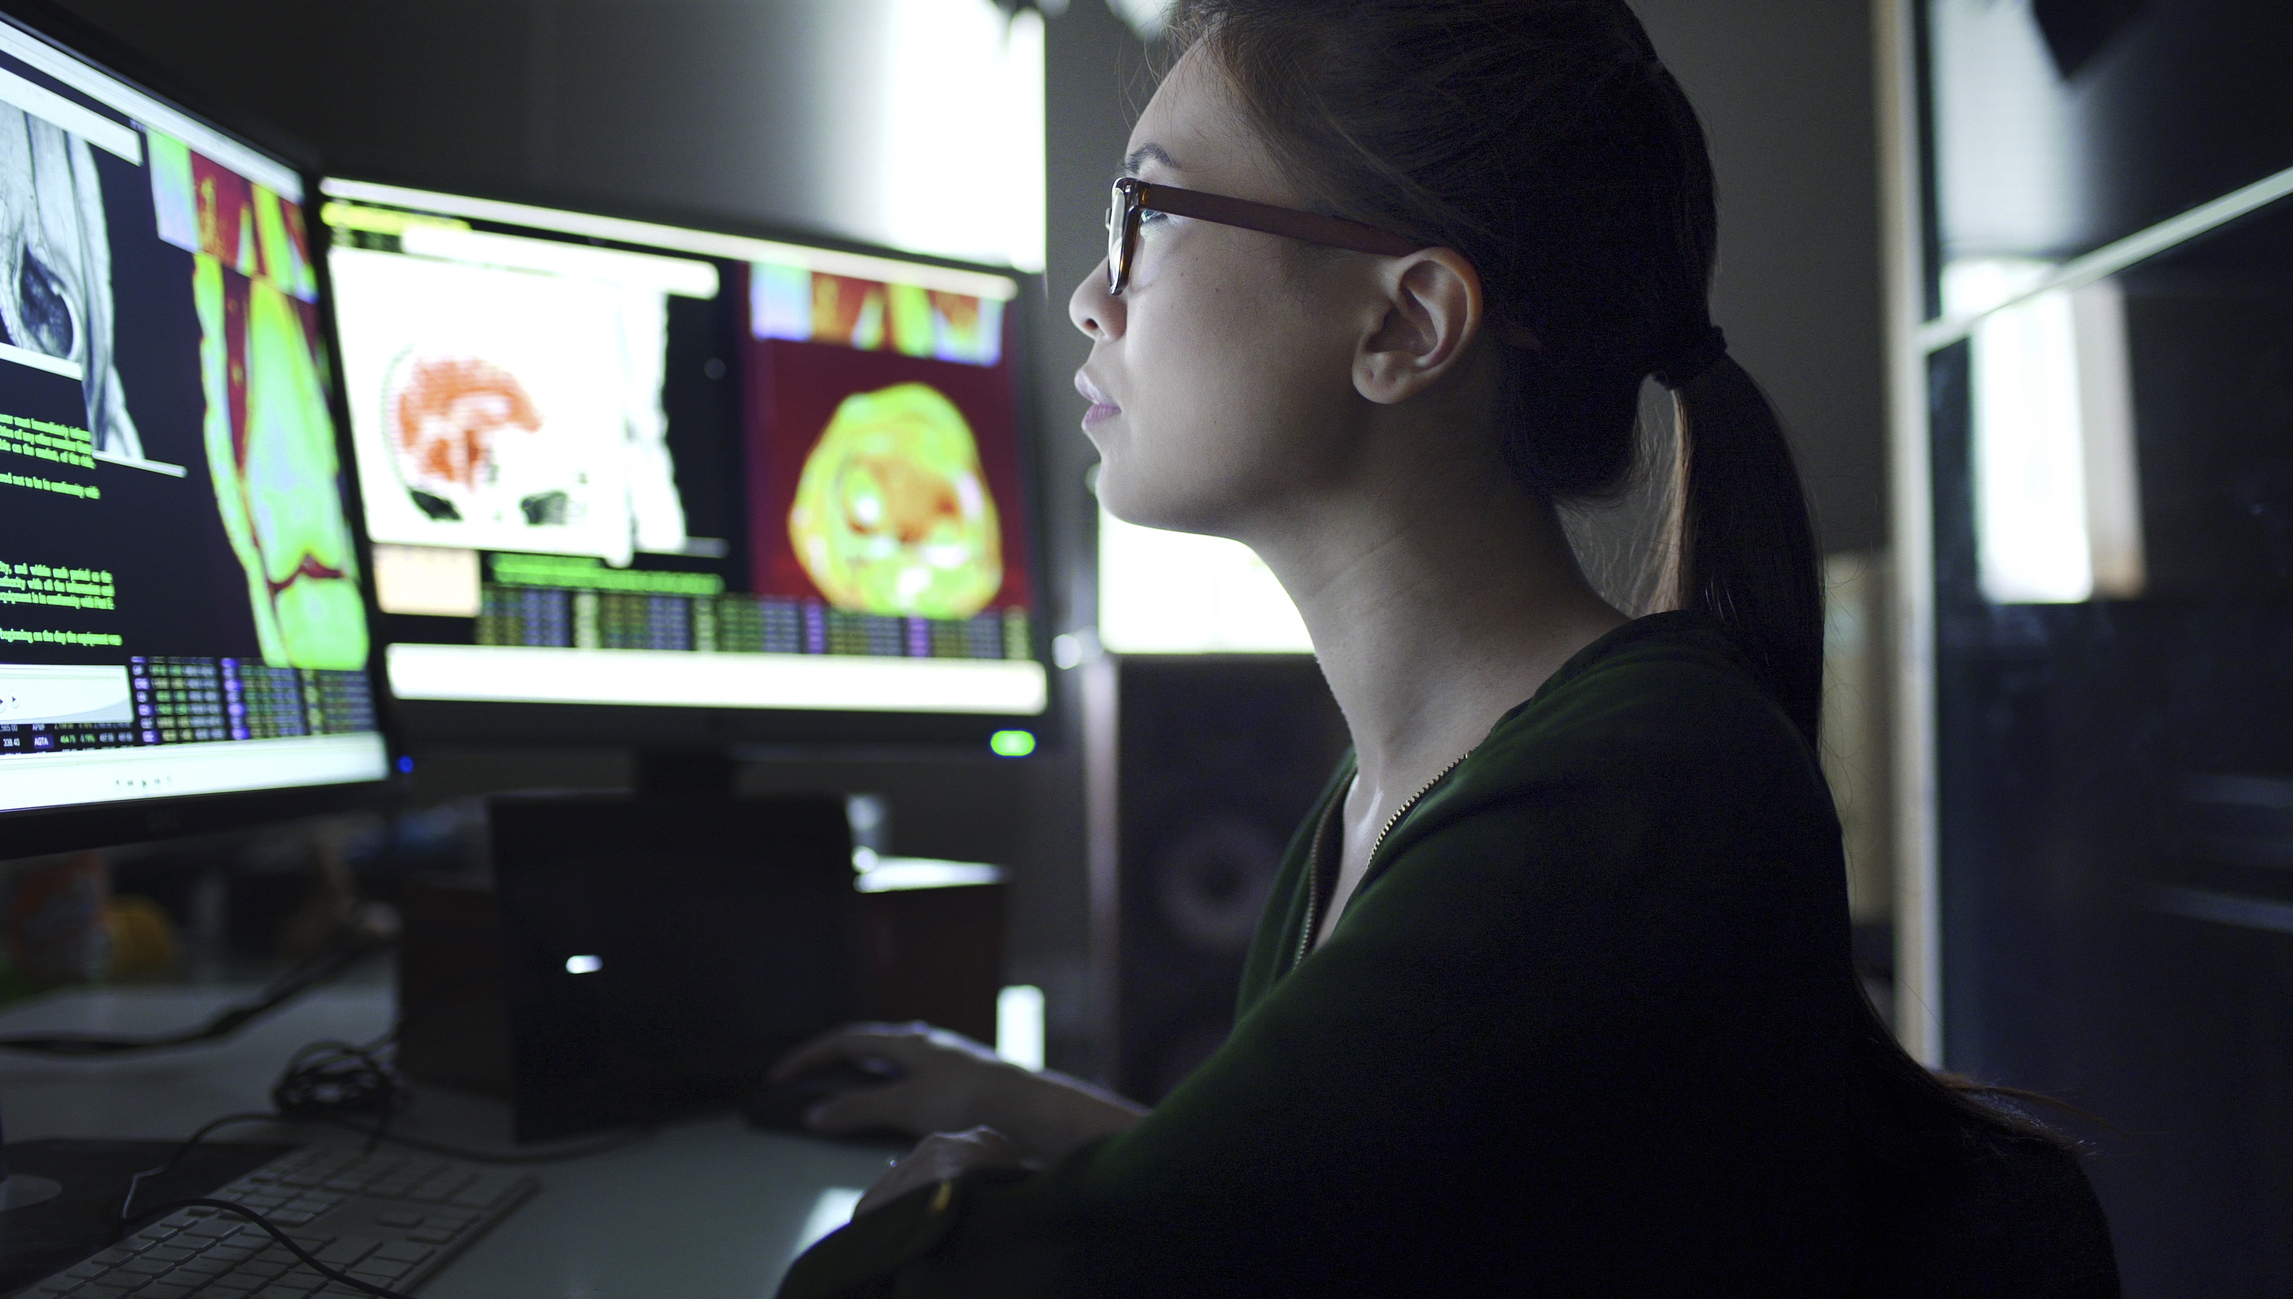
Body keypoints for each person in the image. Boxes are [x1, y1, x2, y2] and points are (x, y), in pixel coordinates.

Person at [771, 2, 2120, 1294]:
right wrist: (1027, 1108)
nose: (1087, 296)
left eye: (1146, 214)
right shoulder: (1373, 811)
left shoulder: (1630, 792)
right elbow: (1351, 1209)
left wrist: (938, 1213)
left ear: (1405, 324)